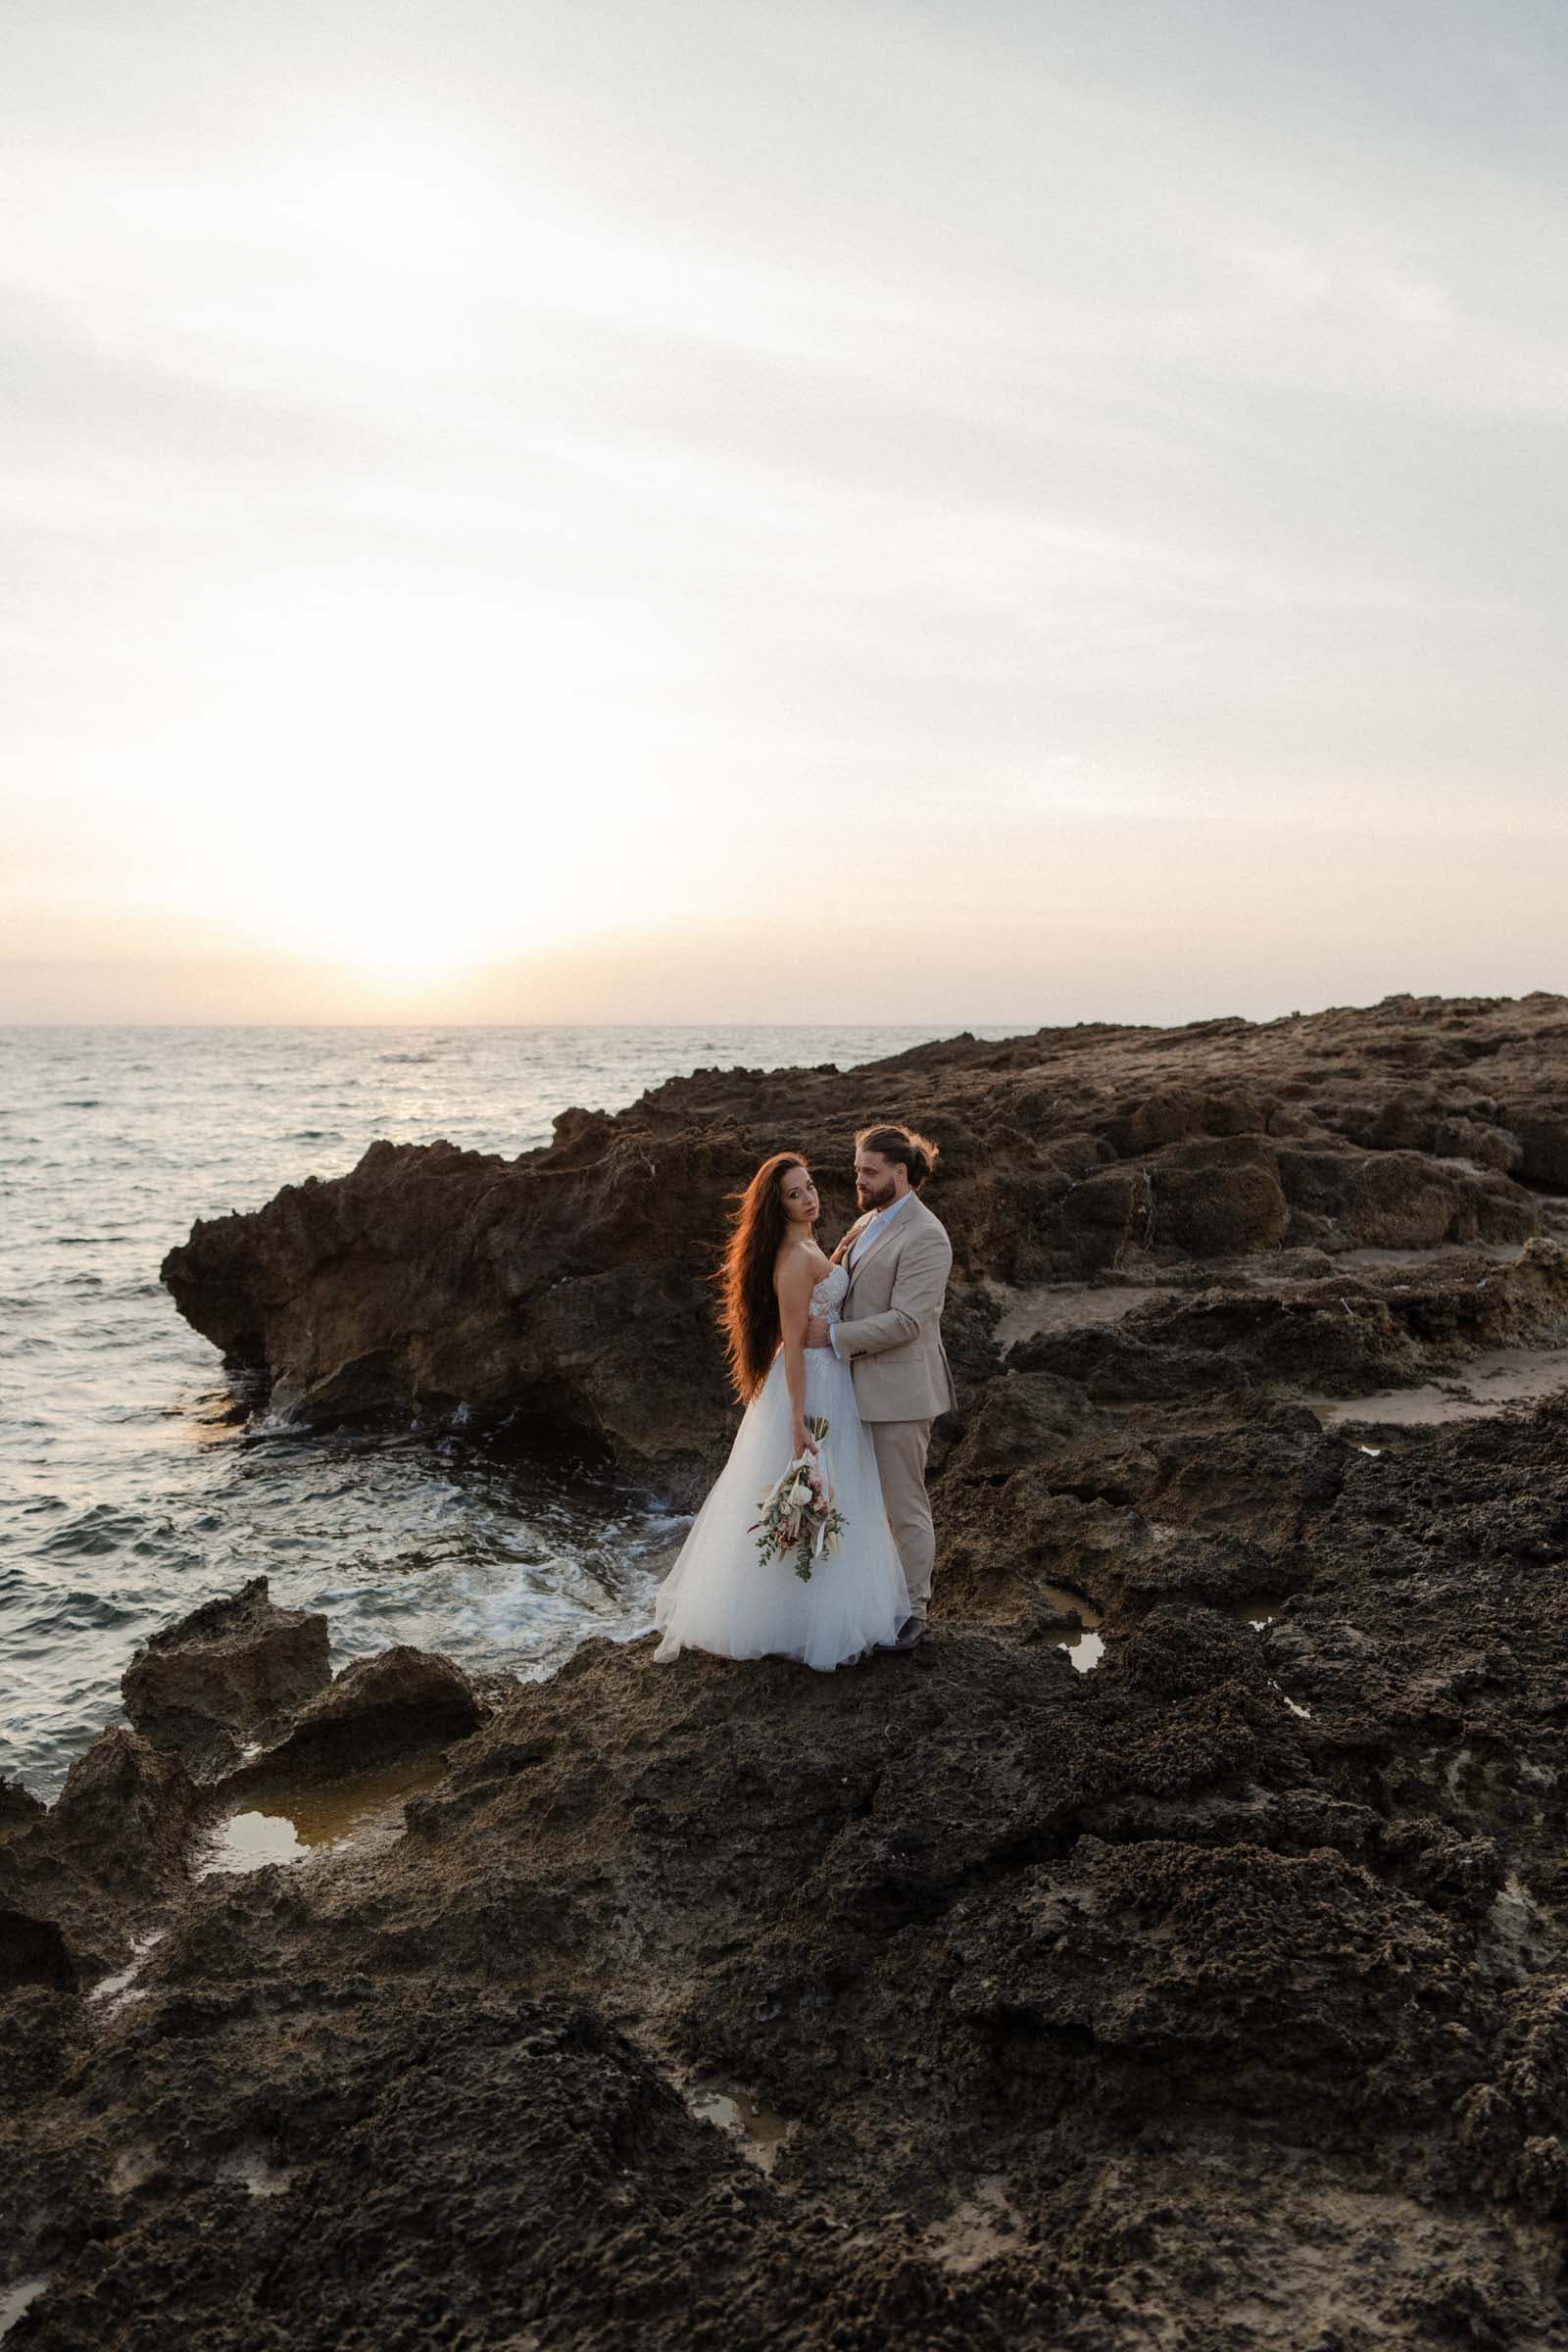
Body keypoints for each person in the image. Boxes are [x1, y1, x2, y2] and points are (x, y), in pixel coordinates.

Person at [653, 1152, 909, 1671]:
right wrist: (797, 1420)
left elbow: (825, 1288)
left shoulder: (807, 1245)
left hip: (831, 1377)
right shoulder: (792, 1260)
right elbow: (793, 1346)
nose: (810, 1197)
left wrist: (838, 1249)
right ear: (778, 1207)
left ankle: (822, 1608)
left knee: (837, 1494)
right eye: (795, 1194)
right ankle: (799, 1619)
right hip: (812, 1386)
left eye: (810, 1187)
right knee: (817, 1494)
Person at [805, 1124, 955, 1651]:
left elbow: (909, 1321)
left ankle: (915, 1612)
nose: (859, 1181)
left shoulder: (926, 1235)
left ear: (901, 1172)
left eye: (869, 1172)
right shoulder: (868, 1221)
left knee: (903, 1505)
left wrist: (832, 1336)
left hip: (900, 1394)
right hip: (853, 1390)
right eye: (857, 1171)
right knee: (863, 1505)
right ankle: (873, 1602)